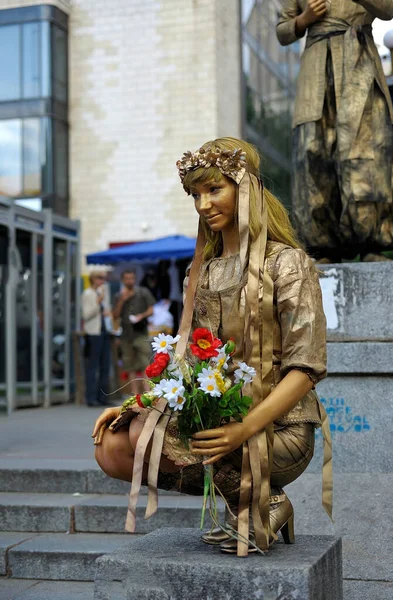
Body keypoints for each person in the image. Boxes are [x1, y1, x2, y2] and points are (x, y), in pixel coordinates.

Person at [92, 138, 332, 556]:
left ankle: (263, 499)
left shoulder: (287, 262)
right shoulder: (201, 272)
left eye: (214, 189)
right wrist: (139, 404)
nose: (203, 205)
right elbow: (190, 363)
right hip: (219, 417)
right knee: (113, 446)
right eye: (196, 195)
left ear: (246, 188)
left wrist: (244, 427)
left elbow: (306, 367)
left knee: (146, 436)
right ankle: (254, 502)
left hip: (281, 428)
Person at [277, 0, 393, 263]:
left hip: (360, 62)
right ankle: (324, 248)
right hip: (316, 68)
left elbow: (388, 9)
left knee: (368, 152)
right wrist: (303, 20)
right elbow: (282, 30)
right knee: (315, 151)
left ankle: (371, 246)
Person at [113, 269, 155, 395]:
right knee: (130, 365)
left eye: (131, 278)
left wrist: (141, 316)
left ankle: (148, 393)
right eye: (127, 278)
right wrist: (122, 300)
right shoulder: (118, 296)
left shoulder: (143, 292)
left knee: (145, 362)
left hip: (141, 332)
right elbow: (115, 315)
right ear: (123, 280)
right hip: (126, 335)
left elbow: (151, 309)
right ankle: (135, 394)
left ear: (135, 279)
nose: (129, 281)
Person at [81, 270, 111, 407]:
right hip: (93, 333)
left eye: (104, 278)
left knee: (105, 365)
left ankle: (103, 397)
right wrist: (97, 304)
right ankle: (91, 397)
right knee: (93, 366)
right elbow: (86, 315)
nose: (102, 281)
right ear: (93, 279)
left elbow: (106, 311)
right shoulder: (88, 294)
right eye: (99, 278)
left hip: (104, 331)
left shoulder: (102, 293)